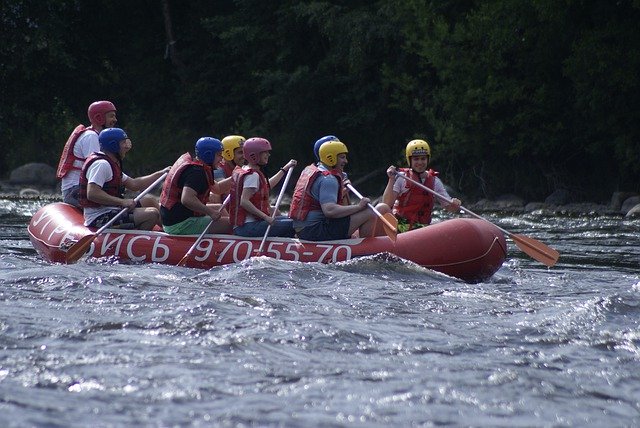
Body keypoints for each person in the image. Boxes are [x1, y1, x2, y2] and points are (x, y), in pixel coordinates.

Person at [289, 139, 391, 241]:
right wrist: (359, 206)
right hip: (315, 230)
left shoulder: (312, 171)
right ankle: (366, 247)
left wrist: (342, 193)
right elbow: (330, 211)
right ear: (331, 158)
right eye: (342, 157)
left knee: (360, 212)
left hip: (302, 229)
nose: (345, 161)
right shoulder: (328, 179)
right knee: (370, 212)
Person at [79, 128, 167, 230]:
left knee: (150, 201)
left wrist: (161, 173)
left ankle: (170, 234)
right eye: (123, 143)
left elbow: (134, 184)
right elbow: (92, 193)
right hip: (99, 217)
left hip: (112, 209)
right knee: (151, 214)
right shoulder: (101, 165)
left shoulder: (111, 163)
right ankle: (138, 241)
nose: (127, 146)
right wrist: (122, 202)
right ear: (113, 145)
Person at [383, 139, 461, 232]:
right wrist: (391, 179)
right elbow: (387, 204)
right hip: (400, 225)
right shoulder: (402, 178)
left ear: (428, 159)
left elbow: (450, 207)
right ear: (409, 160)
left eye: (423, 159)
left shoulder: (435, 182)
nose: (420, 162)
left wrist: (455, 204)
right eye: (416, 159)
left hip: (422, 228)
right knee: (381, 208)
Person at [160, 137, 232, 235]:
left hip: (178, 218)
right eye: (219, 155)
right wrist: (210, 212)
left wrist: (236, 177)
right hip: (180, 225)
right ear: (208, 155)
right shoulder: (196, 173)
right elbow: (186, 199)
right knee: (230, 224)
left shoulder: (201, 167)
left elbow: (218, 188)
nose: (221, 159)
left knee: (220, 207)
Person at [229, 137, 297, 237]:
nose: (268, 155)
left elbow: (267, 186)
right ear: (254, 155)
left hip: (247, 225)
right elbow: (244, 201)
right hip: (248, 227)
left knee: (290, 219)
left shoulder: (246, 169)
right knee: (294, 224)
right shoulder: (252, 175)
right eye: (264, 152)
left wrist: (285, 169)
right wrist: (265, 217)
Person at [57, 100, 117, 208]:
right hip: (74, 190)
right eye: (111, 116)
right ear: (99, 118)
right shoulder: (91, 137)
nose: (115, 120)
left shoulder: (96, 136)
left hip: (79, 188)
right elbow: (95, 166)